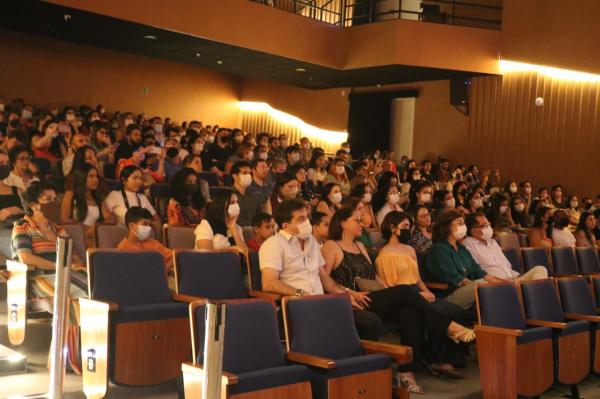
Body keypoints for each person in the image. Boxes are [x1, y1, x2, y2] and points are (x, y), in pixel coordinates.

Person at [320, 207, 475, 393]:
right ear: (343, 223)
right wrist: (348, 294)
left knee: (410, 311)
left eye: (362, 220)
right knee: (403, 291)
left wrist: (389, 294)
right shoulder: (331, 246)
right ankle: (446, 325)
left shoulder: (360, 246)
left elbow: (374, 276)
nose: (362, 224)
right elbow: (325, 281)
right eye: (357, 220)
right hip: (351, 301)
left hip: (371, 295)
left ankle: (406, 371)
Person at [377, 211, 471, 378]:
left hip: (417, 291)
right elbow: (391, 287)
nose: (409, 230)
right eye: (405, 227)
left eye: (410, 227)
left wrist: (426, 291)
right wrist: (419, 296)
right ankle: (433, 359)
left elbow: (418, 278)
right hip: (404, 296)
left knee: (454, 309)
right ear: (393, 228)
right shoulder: (385, 254)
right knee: (440, 313)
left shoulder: (409, 249)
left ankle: (445, 359)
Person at [11, 181, 86, 373]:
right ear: (34, 204)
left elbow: (74, 256)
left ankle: (70, 355)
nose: (53, 202)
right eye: (48, 199)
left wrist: (74, 265)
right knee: (69, 300)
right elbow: (25, 257)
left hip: (67, 275)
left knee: (91, 292)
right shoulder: (22, 226)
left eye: (55, 199)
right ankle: (69, 358)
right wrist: (58, 266)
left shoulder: (58, 229)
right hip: (39, 279)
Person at [426, 209, 504, 310]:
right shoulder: (439, 250)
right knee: (483, 285)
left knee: (498, 285)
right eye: (460, 223)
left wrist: (504, 284)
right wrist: (486, 286)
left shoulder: (461, 248)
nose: (463, 226)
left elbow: (479, 272)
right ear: (447, 226)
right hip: (450, 295)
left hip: (470, 289)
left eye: (463, 223)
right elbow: (456, 279)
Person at [463, 212, 548, 280]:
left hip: (512, 280)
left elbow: (507, 267)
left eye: (489, 224)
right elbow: (477, 272)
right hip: (494, 284)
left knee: (540, 269)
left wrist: (519, 278)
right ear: (473, 231)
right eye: (485, 226)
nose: (489, 228)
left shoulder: (493, 242)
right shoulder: (468, 244)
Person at [117, 207, 173, 286]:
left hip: (160, 285)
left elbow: (175, 255)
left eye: (149, 224)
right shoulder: (122, 249)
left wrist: (165, 268)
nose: (149, 228)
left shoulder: (154, 243)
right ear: (132, 226)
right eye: (145, 224)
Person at [60, 163, 112, 245]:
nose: (96, 180)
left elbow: (111, 219)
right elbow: (64, 219)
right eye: (91, 176)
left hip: (92, 236)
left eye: (96, 176)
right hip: (75, 234)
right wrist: (84, 227)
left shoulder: (97, 198)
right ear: (81, 177)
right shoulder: (70, 194)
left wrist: (96, 225)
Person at [231, 161, 264, 226]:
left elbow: (259, 217)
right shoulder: (227, 194)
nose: (248, 176)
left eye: (250, 173)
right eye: (245, 173)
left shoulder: (255, 195)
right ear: (235, 176)